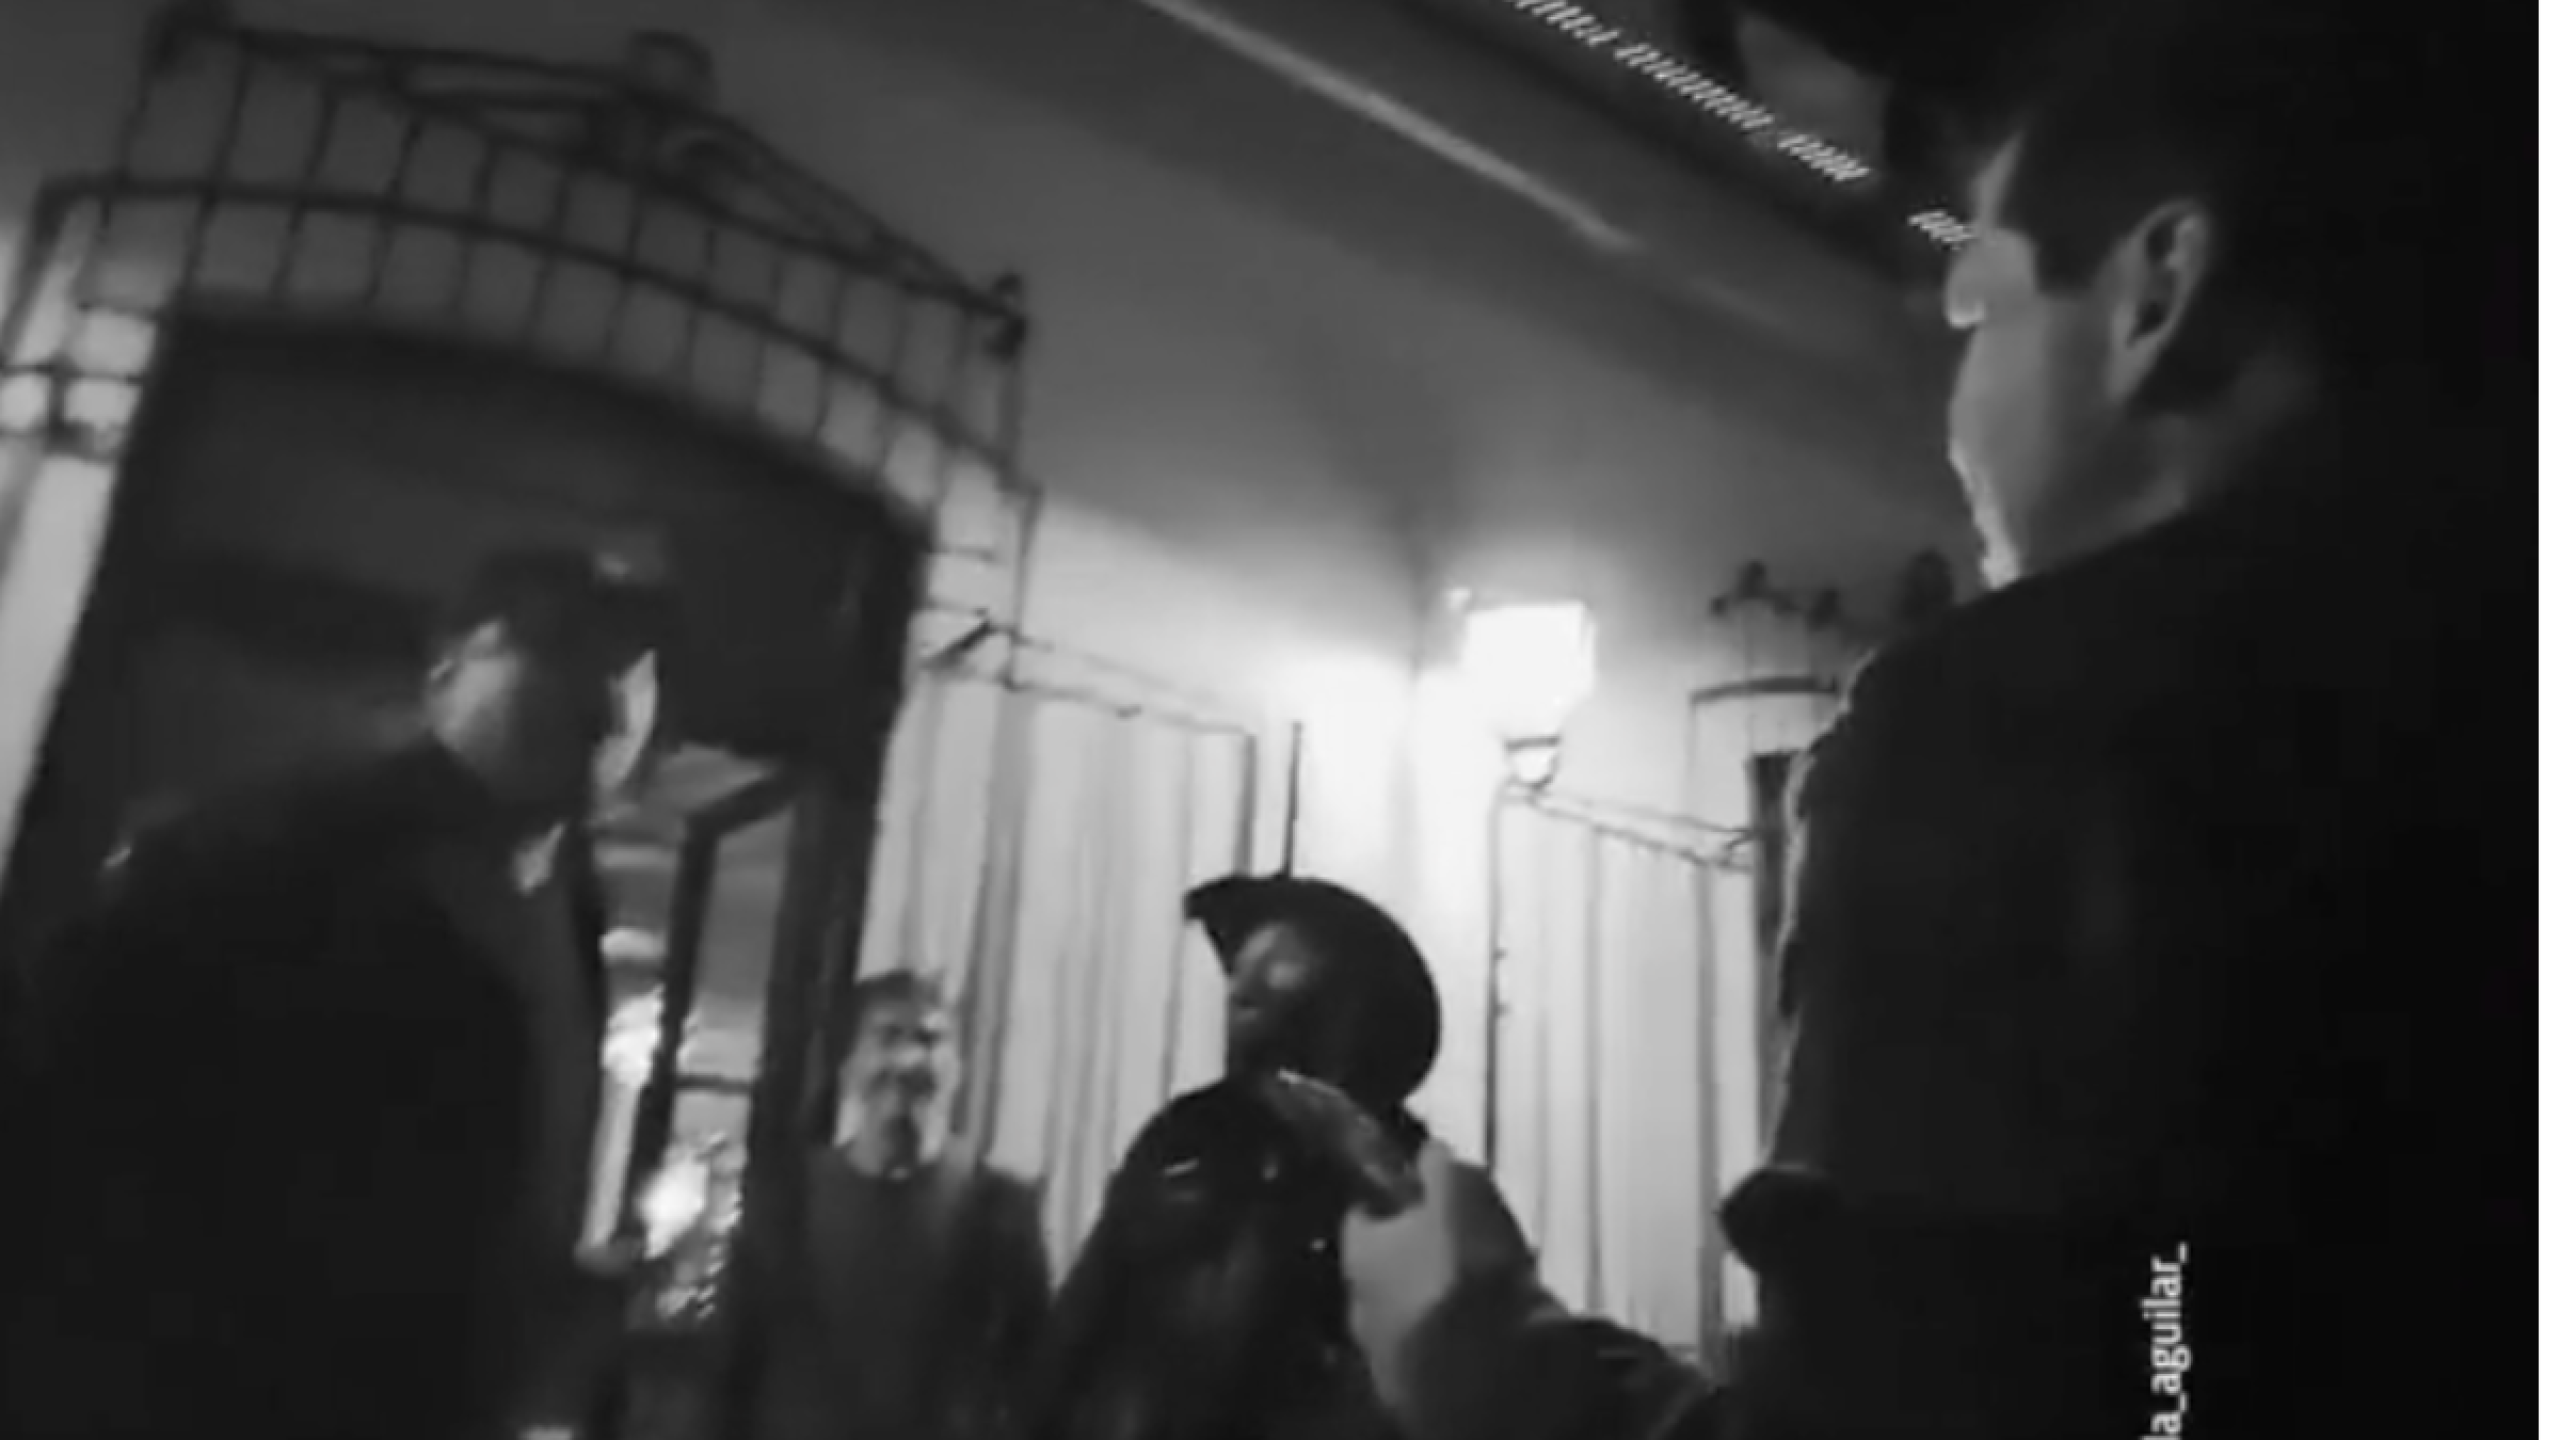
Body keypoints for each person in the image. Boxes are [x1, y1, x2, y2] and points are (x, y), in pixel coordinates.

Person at [1335, 2, 2525, 1438]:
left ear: (2157, 291)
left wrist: (1490, 1360)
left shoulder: (2027, 719)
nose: (1952, 410)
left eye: (1980, 311)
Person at [0, 546, 668, 1440]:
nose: (604, 699)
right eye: (561, 644)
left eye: (628, 674)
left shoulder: (567, 918)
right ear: (449, 663)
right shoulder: (271, 854)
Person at [1020, 874, 1444, 1440]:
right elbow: (1087, 1313)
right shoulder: (1190, 1133)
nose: (1243, 993)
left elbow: (1429, 1363)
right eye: (1243, 978)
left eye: (1280, 973)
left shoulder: (1400, 1168)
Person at [730, 969, 1052, 1440]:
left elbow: (1032, 1381)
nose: (908, 1060)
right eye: (888, 1037)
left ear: (957, 1069)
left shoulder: (1002, 1210)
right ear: (849, 1066)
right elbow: (733, 1367)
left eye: (930, 1040)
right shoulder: (786, 1201)